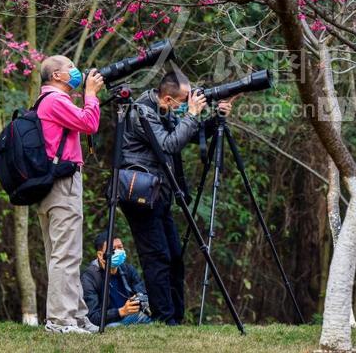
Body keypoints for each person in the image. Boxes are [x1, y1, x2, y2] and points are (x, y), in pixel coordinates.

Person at [119, 70, 233, 325]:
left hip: (159, 195)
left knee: (174, 257)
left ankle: (176, 319)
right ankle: (164, 318)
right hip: (141, 196)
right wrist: (191, 114)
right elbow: (168, 145)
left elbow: (191, 135)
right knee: (157, 257)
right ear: (169, 99)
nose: (186, 104)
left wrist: (217, 118)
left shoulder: (164, 111)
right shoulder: (142, 112)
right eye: (184, 100)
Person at [37, 55, 104, 334]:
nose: (75, 72)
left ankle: (75, 316)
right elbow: (89, 123)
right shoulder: (55, 100)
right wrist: (90, 95)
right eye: (70, 68)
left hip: (50, 184)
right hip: (63, 183)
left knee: (64, 253)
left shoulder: (46, 101)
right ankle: (61, 320)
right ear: (56, 75)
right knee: (66, 254)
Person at [81, 232, 151, 328]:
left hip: (131, 316)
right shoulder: (89, 278)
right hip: (108, 323)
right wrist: (121, 311)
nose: (118, 252)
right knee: (115, 326)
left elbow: (142, 292)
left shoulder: (127, 269)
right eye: (113, 249)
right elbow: (93, 317)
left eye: (120, 247)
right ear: (100, 255)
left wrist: (139, 299)